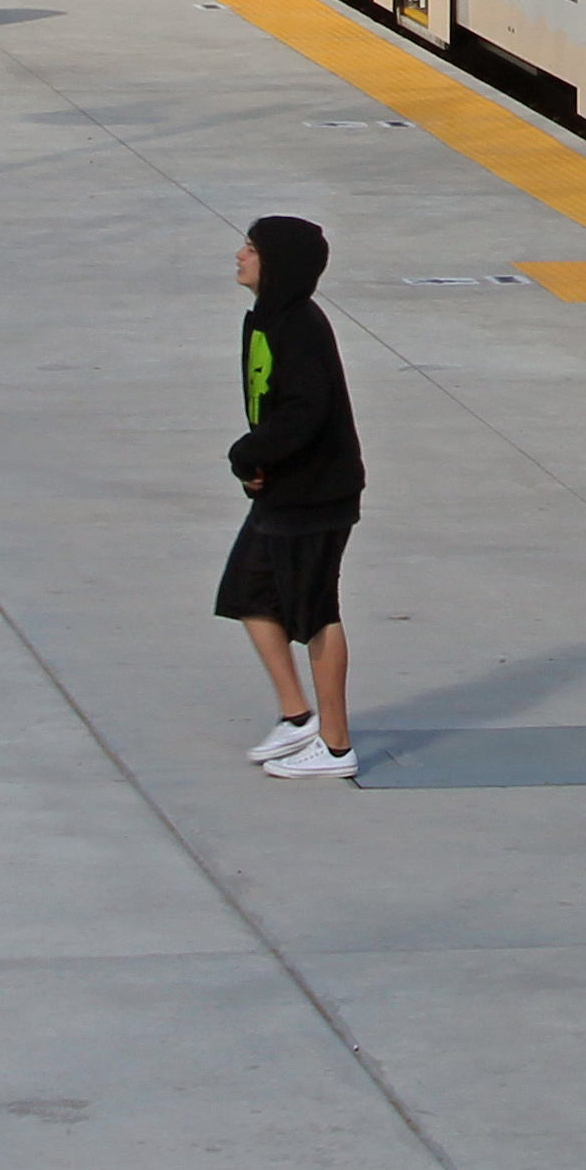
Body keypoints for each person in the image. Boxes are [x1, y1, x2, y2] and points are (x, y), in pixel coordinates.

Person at [222, 213, 365, 780]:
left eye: (251, 248)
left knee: (315, 612)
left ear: (275, 263)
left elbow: (305, 414)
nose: (239, 255)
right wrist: (255, 463)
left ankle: (334, 747)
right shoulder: (264, 319)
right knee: (248, 593)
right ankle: (296, 715)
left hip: (317, 494)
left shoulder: (300, 327)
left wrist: (248, 454)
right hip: (283, 488)